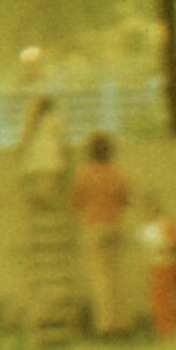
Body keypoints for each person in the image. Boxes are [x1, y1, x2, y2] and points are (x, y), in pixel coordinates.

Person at [72, 133, 135, 337]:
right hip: (115, 224)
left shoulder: (85, 174)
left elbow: (75, 203)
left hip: (94, 226)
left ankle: (107, 325)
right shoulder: (117, 173)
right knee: (118, 275)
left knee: (101, 278)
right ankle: (124, 322)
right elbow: (126, 200)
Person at [138, 200, 176, 339]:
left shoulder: (166, 224)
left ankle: (171, 330)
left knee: (168, 297)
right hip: (154, 266)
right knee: (157, 299)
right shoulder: (145, 230)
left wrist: (166, 248)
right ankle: (163, 330)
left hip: (167, 264)